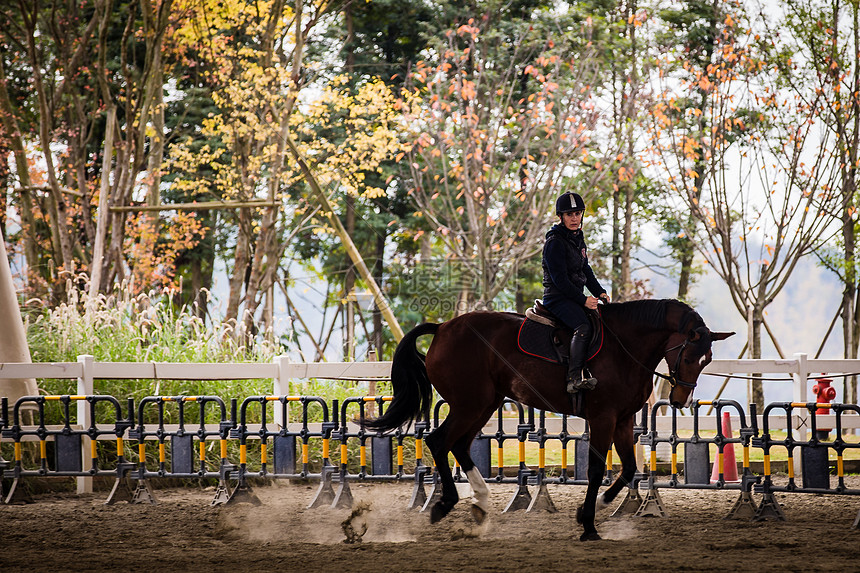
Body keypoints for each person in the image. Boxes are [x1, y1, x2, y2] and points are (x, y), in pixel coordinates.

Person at [541, 191, 610, 393]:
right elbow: (559, 280)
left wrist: (600, 292)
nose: (574, 218)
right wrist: (583, 300)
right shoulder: (554, 243)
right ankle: (574, 378)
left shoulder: (577, 239)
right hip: (557, 298)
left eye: (578, 213)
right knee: (583, 326)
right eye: (569, 214)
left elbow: (585, 270)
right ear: (561, 217)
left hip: (573, 297)